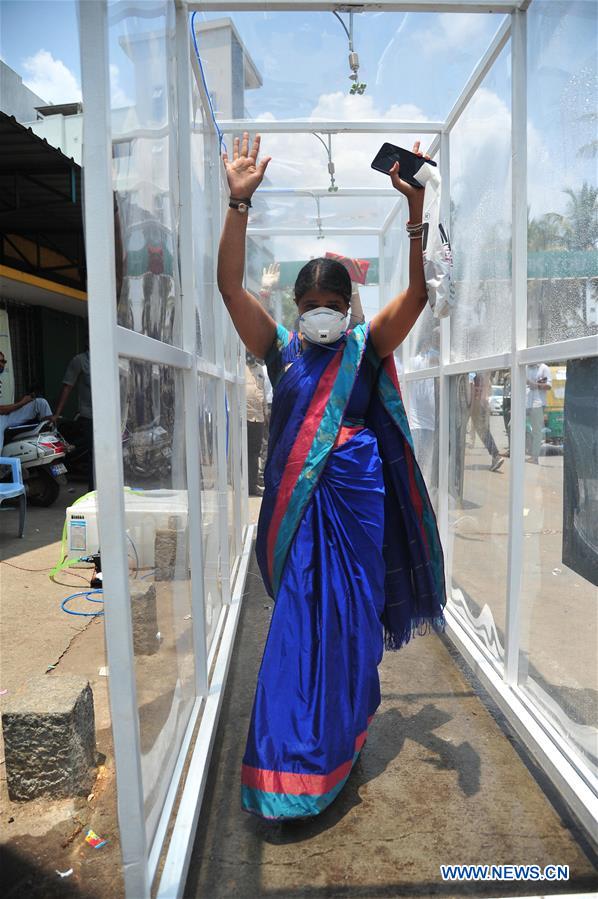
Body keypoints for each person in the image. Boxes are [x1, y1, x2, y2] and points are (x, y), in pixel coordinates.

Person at [218, 133, 446, 821]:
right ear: (295, 305)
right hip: (297, 528)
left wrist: (415, 215)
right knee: (293, 638)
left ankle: (340, 748)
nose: (320, 308)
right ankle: (286, 771)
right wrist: (237, 202)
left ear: (347, 305)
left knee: (348, 640)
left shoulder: (364, 348)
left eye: (331, 299)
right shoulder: (278, 353)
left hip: (355, 522)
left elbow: (420, 295)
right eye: (309, 299)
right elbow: (228, 285)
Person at [52, 347, 94, 490]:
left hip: (110, 415)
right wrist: (57, 413)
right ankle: (93, 494)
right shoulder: (80, 361)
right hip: (89, 416)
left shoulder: (110, 357)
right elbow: (67, 387)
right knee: (94, 456)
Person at [0, 352, 53, 450]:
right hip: (1, 417)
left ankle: (51, 436)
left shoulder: (2, 379)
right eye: (1, 361)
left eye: (3, 361)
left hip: (7, 415)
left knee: (40, 403)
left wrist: (26, 400)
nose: (2, 364)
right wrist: (22, 402)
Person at [469, 371, 504, 472]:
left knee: (482, 430)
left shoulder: (477, 369)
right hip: (478, 398)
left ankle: (495, 455)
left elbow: (477, 378)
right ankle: (495, 455)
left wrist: (481, 397)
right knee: (483, 430)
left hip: (476, 399)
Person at [245, 351, 266, 496]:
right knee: (242, 453)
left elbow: (262, 391)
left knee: (254, 454)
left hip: (258, 418)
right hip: (243, 417)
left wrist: (265, 413)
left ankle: (252, 485)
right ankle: (242, 485)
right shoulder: (238, 367)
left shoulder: (259, 369)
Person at [526, 362, 551, 464]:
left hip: (537, 403)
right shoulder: (525, 367)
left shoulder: (544, 368)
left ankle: (534, 457)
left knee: (536, 431)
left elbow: (549, 386)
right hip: (524, 403)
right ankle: (515, 451)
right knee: (512, 426)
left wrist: (535, 385)